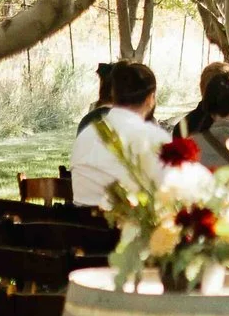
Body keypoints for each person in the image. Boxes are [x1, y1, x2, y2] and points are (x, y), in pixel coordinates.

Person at [69, 60, 162, 207]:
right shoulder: (154, 138)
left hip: (81, 226)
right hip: (130, 226)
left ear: (114, 94)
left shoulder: (85, 134)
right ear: (151, 98)